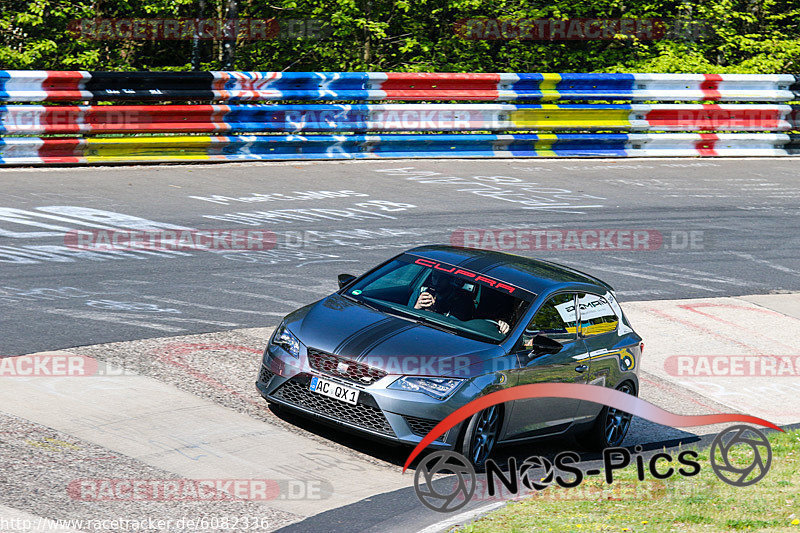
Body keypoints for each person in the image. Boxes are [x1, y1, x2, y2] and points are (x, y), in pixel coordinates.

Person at [413, 270, 509, 334]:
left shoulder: (462, 300)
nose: (436, 282)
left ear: (449, 280)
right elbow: (407, 317)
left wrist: (434, 311)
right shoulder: (421, 293)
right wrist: (417, 307)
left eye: (441, 279)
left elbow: (454, 328)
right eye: (434, 277)